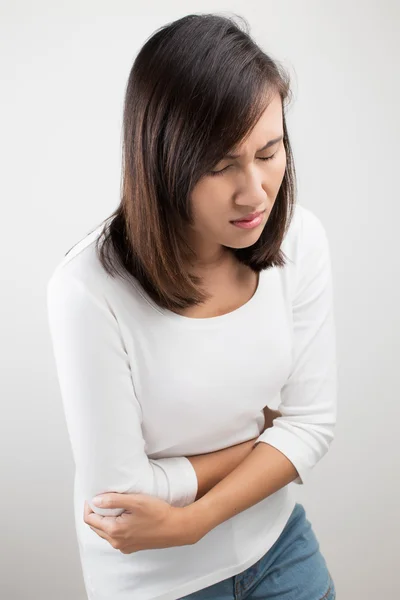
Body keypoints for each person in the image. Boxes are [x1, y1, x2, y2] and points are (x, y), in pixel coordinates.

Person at [46, 12, 337, 600]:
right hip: (157, 583)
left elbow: (313, 424)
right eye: (221, 164)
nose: (254, 192)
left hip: (274, 541)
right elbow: (122, 502)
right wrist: (258, 443)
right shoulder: (88, 290)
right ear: (163, 163)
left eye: (270, 151)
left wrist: (190, 520)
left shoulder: (300, 240)